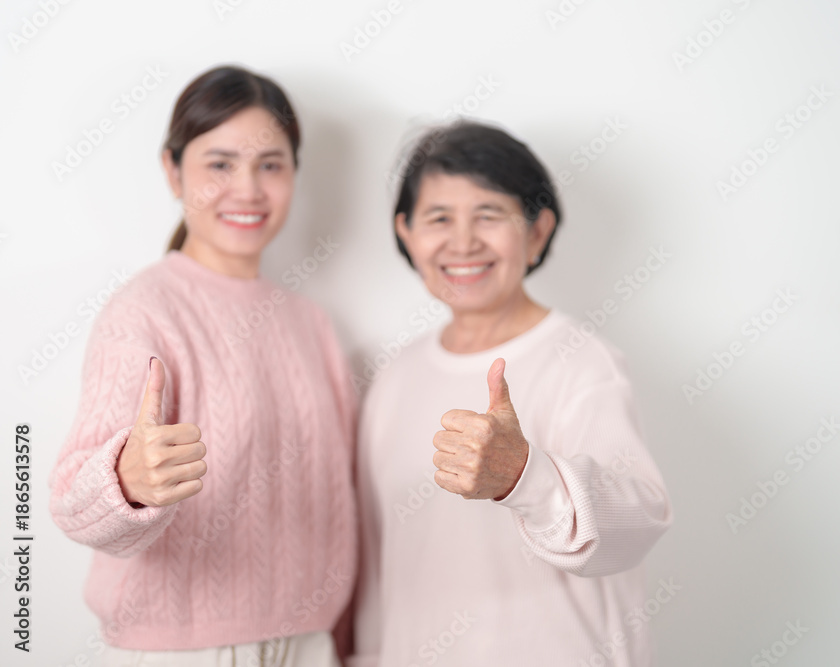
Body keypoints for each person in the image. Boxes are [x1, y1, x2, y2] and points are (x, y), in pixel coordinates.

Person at [49, 65, 357, 667]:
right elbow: (70, 501)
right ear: (173, 170)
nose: (248, 189)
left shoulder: (313, 325)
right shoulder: (144, 311)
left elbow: (341, 503)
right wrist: (125, 483)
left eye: (271, 164)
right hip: (185, 650)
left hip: (311, 644)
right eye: (220, 164)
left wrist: (343, 643)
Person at [348, 121, 672, 666]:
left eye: (489, 214)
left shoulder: (583, 362)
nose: (463, 242)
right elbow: (378, 562)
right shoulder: (393, 377)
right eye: (439, 218)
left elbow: (639, 521)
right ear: (406, 232)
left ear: (537, 231)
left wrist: (524, 474)